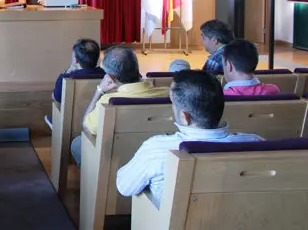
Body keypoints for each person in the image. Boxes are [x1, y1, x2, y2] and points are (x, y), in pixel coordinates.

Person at [116, 70, 262, 205]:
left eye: (173, 104)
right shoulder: (256, 144)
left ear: (185, 116)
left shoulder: (156, 149)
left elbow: (124, 186)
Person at [70, 46, 169, 167]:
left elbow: (87, 127)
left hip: (116, 158)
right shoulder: (168, 93)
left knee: (77, 143)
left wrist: (99, 90)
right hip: (155, 159)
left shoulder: (108, 101)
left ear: (110, 78)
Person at [52, 39, 105, 103]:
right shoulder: (105, 75)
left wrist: (66, 72)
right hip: (95, 112)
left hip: (71, 113)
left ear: (76, 60)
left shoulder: (65, 77)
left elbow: (55, 98)